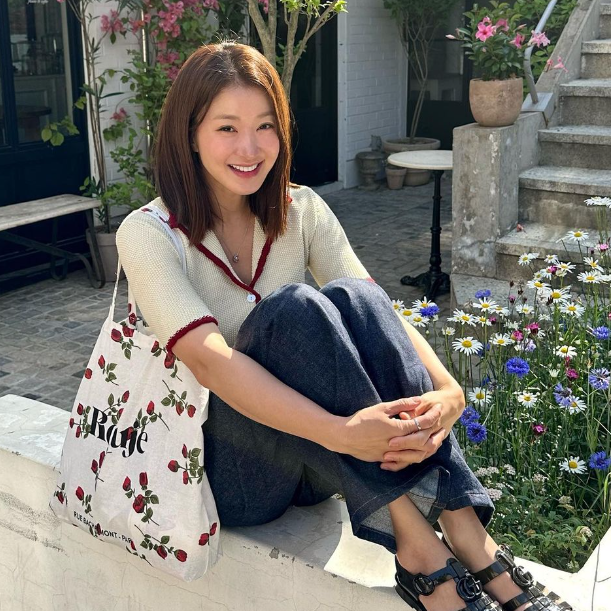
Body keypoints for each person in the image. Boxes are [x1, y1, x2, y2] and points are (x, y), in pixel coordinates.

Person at [116, 42, 573, 611]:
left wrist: (448, 391)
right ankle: (421, 551)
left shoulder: (300, 208)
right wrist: (341, 432)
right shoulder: (149, 233)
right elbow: (210, 361)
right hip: (228, 474)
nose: (249, 148)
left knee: (354, 295)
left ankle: (464, 529)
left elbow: (376, 309)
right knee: (291, 310)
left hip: (319, 467)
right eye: (227, 128)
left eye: (265, 126)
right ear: (190, 134)